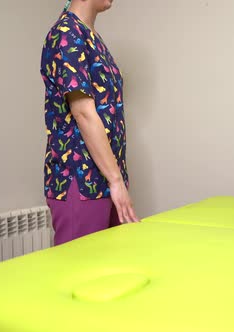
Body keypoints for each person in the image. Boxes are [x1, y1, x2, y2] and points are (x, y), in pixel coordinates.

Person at [40, 0, 139, 246]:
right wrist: (116, 180)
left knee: (110, 274)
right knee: (79, 274)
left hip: (106, 178)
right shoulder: (66, 34)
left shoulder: (91, 37)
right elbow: (83, 112)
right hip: (80, 180)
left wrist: (117, 180)